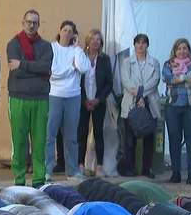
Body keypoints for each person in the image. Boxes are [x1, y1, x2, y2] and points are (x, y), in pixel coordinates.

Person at [7, 10, 53, 188]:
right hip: (18, 97)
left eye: (34, 22)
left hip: (41, 98)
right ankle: (19, 178)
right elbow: (15, 69)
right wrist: (37, 69)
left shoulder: (46, 46)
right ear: (23, 22)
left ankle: (38, 179)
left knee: (40, 140)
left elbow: (46, 66)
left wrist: (23, 64)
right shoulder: (13, 44)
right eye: (28, 21)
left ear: (39, 25)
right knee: (18, 140)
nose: (31, 25)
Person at [45, 21, 91, 181]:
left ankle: (72, 170)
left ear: (74, 34)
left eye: (71, 31)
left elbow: (84, 68)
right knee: (50, 135)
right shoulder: (52, 48)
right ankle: (47, 170)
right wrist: (72, 68)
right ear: (59, 31)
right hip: (54, 95)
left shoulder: (76, 51)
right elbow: (53, 72)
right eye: (64, 30)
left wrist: (78, 47)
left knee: (71, 136)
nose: (67, 33)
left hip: (73, 96)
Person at [119, 34, 161, 178]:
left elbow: (155, 81)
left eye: (143, 43)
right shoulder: (126, 62)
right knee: (129, 139)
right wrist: (138, 95)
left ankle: (147, 167)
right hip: (131, 102)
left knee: (149, 138)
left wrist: (142, 94)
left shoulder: (154, 62)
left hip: (149, 102)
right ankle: (130, 167)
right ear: (134, 45)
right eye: (138, 42)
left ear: (147, 45)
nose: (141, 45)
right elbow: (125, 80)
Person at [162, 38, 191, 184]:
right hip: (173, 106)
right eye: (179, 48)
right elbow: (167, 78)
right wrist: (185, 78)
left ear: (189, 50)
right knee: (174, 140)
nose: (182, 51)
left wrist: (176, 80)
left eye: (184, 48)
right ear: (175, 50)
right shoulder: (168, 64)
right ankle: (175, 172)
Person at [79, 29, 113, 178]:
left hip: (99, 101)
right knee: (82, 133)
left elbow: (108, 83)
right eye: (92, 39)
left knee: (99, 132)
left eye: (98, 39)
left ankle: (99, 166)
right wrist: (84, 100)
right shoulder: (81, 56)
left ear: (101, 42)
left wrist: (98, 99)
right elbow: (77, 81)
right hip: (83, 101)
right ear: (87, 41)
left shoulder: (105, 59)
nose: (95, 42)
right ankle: (80, 165)